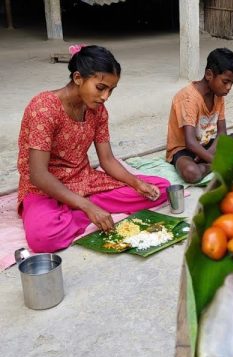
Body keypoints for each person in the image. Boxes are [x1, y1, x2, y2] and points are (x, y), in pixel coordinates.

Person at [17, 44, 170, 253]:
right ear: (78, 78)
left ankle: (78, 210)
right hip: (44, 189)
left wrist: (136, 183)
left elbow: (106, 160)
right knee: (43, 238)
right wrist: (88, 207)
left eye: (111, 90)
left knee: (159, 188)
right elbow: (38, 175)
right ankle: (86, 208)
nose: (105, 96)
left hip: (84, 181)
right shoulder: (44, 108)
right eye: (101, 88)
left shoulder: (98, 110)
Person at [166, 48, 233, 183]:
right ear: (209, 75)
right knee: (192, 173)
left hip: (209, 144)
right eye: (225, 82)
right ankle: (216, 164)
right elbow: (190, 142)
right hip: (186, 150)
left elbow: (222, 133)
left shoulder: (218, 94)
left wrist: (210, 154)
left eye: (232, 83)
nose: (229, 87)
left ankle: (208, 165)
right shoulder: (188, 98)